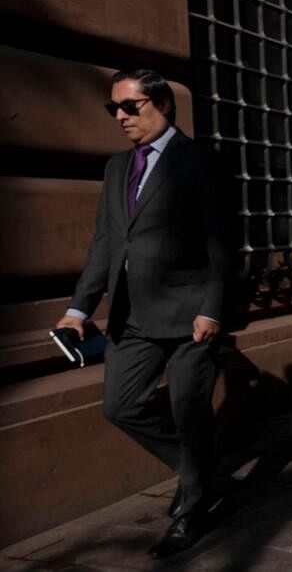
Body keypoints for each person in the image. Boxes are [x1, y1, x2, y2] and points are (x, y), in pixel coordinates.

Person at [54, 69, 232, 558]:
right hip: (132, 317)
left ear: (163, 105)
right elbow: (106, 243)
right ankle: (202, 474)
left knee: (189, 412)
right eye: (114, 108)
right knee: (119, 404)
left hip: (192, 316)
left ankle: (192, 510)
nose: (120, 117)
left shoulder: (200, 161)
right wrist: (78, 309)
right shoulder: (116, 168)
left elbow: (222, 242)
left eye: (130, 106)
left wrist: (213, 309)